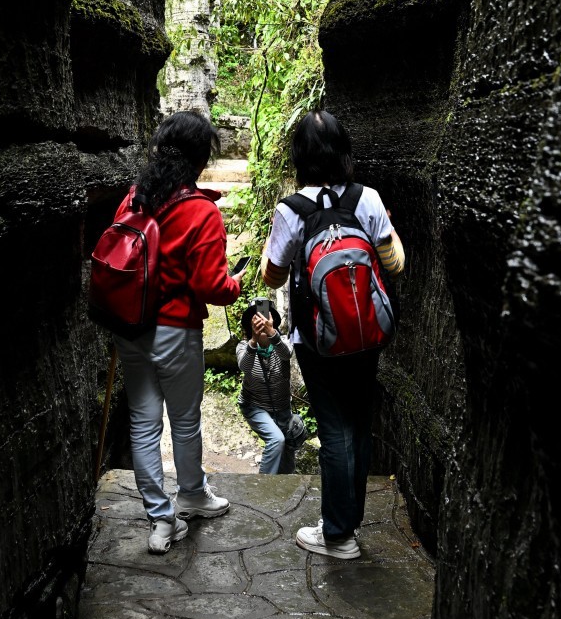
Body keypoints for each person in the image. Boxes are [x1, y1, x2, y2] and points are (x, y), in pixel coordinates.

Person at [260, 109, 404, 560]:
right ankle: (349, 521)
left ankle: (338, 533)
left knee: (334, 427)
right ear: (344, 152)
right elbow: (395, 264)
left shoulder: (291, 209)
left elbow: (270, 276)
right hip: (367, 332)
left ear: (299, 157)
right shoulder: (369, 199)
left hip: (317, 339)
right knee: (359, 421)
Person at [111, 110, 244, 553]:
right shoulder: (201, 211)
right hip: (174, 330)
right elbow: (212, 286)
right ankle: (192, 493)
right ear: (200, 158)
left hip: (130, 328)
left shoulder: (133, 198)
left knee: (143, 424)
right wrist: (238, 284)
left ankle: (161, 521)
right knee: (185, 421)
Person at [236, 299, 298, 475]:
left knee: (288, 451)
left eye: (265, 317)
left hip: (282, 408)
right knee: (276, 440)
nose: (261, 322)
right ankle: (263, 486)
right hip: (254, 405)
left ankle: (285, 489)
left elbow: (287, 354)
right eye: (256, 319)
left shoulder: (283, 342)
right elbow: (244, 367)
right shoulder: (244, 346)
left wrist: (272, 333)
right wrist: (254, 340)